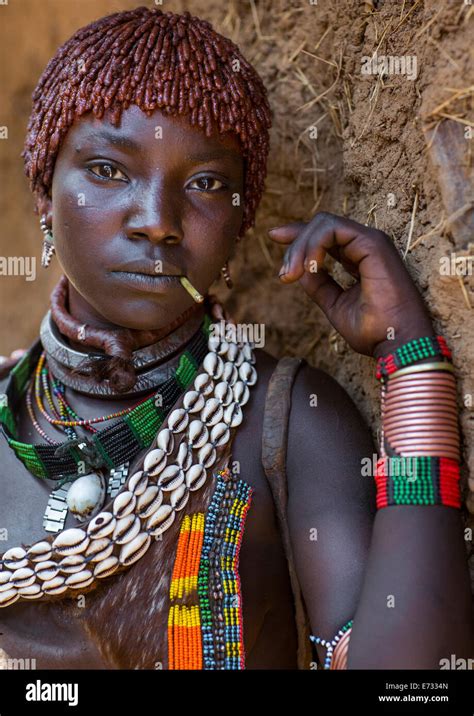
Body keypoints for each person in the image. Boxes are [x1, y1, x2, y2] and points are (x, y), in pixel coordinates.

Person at [0, 6, 471, 670]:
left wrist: (412, 358)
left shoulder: (288, 422)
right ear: (46, 190)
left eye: (205, 183)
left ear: (239, 223)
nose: (159, 222)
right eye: (109, 170)